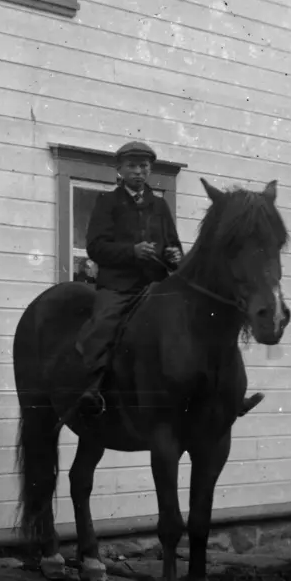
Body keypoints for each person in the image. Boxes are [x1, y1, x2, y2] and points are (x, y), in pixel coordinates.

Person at [72, 141, 186, 419]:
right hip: (120, 285)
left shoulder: (159, 206)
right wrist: (131, 252)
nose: (138, 172)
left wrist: (174, 255)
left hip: (156, 285)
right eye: (132, 166)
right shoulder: (107, 203)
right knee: (104, 323)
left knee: (190, 319)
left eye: (144, 166)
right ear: (119, 169)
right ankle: (93, 386)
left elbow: (173, 246)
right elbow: (95, 247)